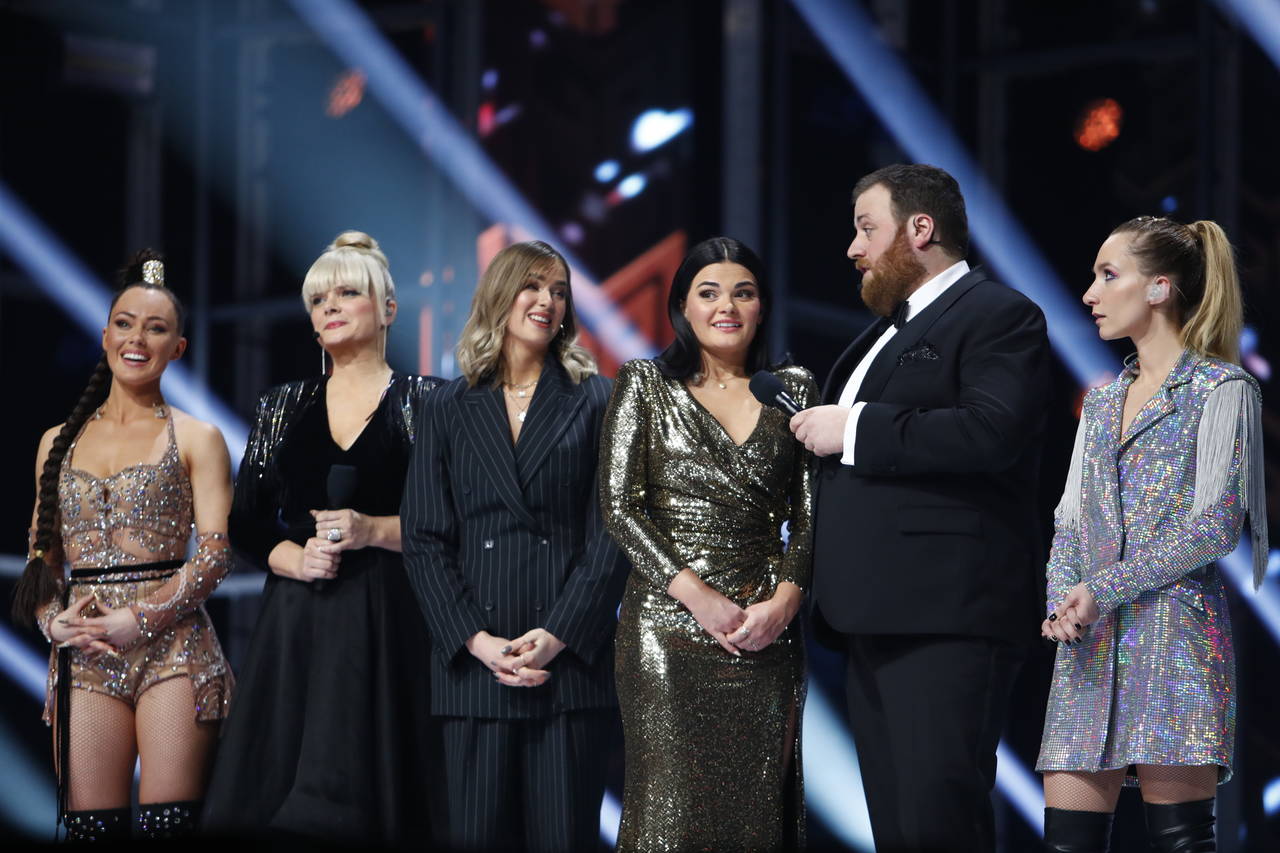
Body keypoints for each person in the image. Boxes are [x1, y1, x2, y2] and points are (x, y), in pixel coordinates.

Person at [790, 163, 1051, 852]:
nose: (853, 247)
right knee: (902, 831)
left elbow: (991, 431)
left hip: (946, 616)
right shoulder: (881, 332)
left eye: (866, 229)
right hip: (872, 617)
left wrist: (853, 428)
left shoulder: (999, 314)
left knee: (940, 824)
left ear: (921, 229)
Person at [201, 231, 441, 843]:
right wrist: (293, 558)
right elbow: (247, 520)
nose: (329, 306)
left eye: (348, 292)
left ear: (387, 309)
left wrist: (375, 530)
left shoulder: (431, 403)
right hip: (299, 620)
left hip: (393, 615)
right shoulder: (282, 405)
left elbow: (459, 521)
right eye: (318, 299)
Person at [1036, 216, 1266, 852]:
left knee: (1181, 843)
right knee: (1066, 842)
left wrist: (1100, 588)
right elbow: (1069, 522)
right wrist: (1062, 597)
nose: (1090, 293)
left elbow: (1216, 527)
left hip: (1176, 639)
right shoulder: (1104, 400)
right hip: (1090, 642)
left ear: (1160, 288)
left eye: (1109, 276)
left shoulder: (1221, 390)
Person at [402, 240, 627, 853]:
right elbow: (424, 539)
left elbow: (611, 533)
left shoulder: (596, 399)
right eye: (533, 286)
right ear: (500, 295)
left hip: (569, 666)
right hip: (476, 668)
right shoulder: (446, 405)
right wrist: (477, 641)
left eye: (558, 292)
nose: (547, 301)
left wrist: (556, 635)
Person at [600, 236, 814, 852]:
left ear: (762, 307)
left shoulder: (792, 388)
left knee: (753, 819)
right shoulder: (645, 382)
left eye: (743, 293)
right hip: (666, 632)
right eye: (709, 292)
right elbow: (619, 507)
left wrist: (785, 604)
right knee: (667, 814)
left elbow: (809, 516)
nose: (727, 307)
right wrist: (696, 596)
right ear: (683, 308)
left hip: (764, 633)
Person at [12, 251, 234, 840]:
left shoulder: (198, 436)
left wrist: (140, 618)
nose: (138, 338)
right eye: (126, 323)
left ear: (178, 348)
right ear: (105, 333)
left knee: (167, 828)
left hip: (174, 651)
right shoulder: (56, 443)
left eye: (157, 328)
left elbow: (214, 555)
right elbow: (43, 561)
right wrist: (52, 625)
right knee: (91, 832)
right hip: (85, 658)